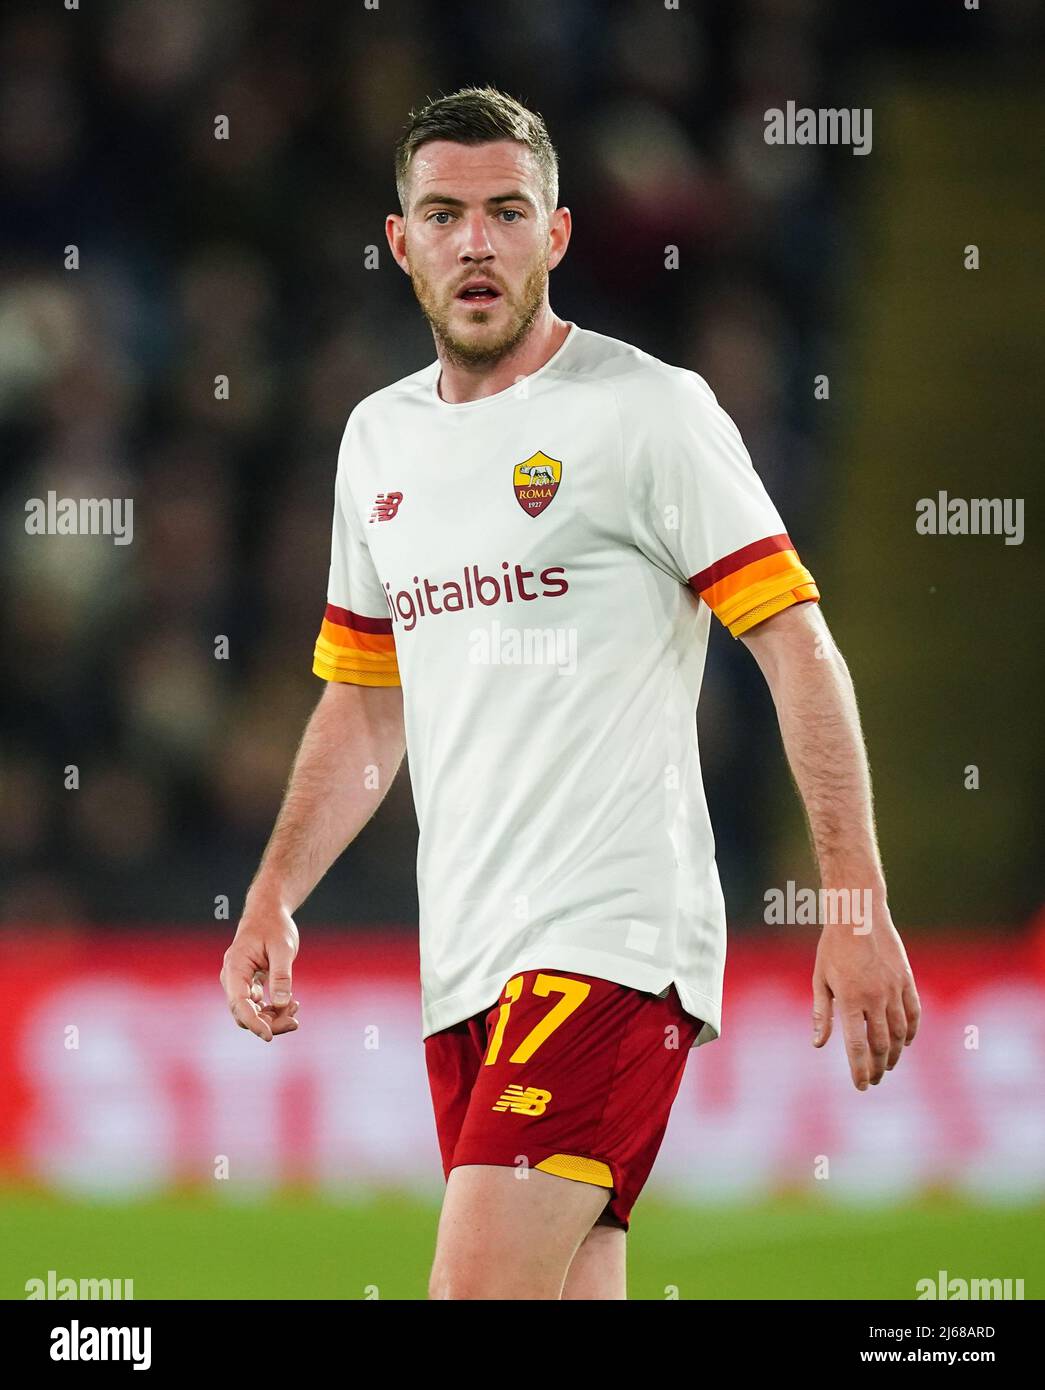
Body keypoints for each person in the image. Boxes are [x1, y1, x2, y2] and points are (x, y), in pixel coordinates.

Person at [221, 86, 920, 1301]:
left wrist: (851, 898)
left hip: (611, 939)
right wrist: (275, 893)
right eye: (443, 214)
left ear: (556, 235)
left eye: (505, 212)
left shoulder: (649, 412)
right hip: (469, 961)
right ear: (401, 242)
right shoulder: (377, 443)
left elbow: (797, 647)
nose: (475, 242)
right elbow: (366, 702)